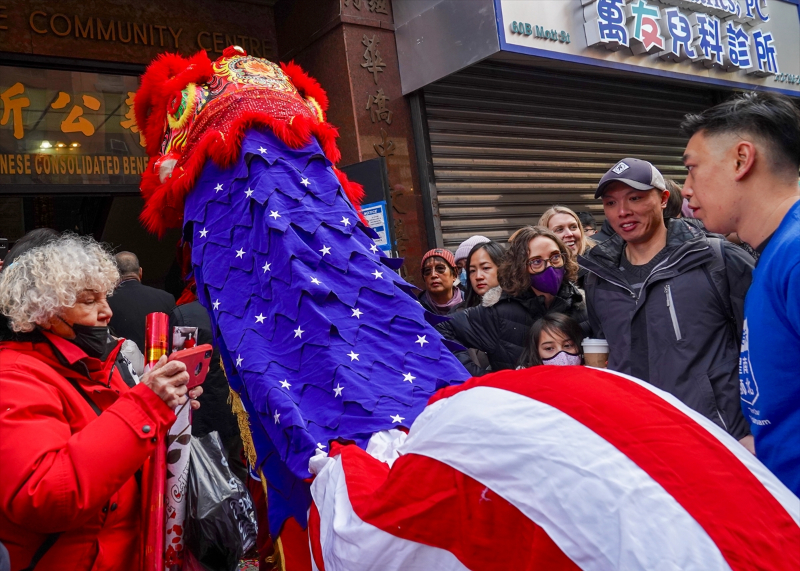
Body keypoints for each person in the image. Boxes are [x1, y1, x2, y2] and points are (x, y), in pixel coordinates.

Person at [0, 234, 202, 571]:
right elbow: (45, 497)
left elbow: (127, 450)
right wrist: (147, 406)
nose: (107, 311)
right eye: (88, 301)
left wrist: (169, 410)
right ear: (42, 310)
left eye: (104, 297)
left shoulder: (100, 365)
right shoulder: (13, 377)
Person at [580, 158, 755, 450]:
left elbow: (767, 349)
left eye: (635, 198)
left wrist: (759, 431)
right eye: (611, 203)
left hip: (719, 439)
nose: (622, 212)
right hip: (641, 441)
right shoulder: (599, 277)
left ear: (663, 199)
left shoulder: (715, 259)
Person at [680, 91, 800, 494]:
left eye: (692, 169)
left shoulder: (795, 255)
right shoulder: (773, 252)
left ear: (741, 160)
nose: (686, 189)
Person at [438, 226, 586, 372]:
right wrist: (480, 378)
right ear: (520, 267)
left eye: (555, 257)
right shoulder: (500, 312)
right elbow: (440, 328)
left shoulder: (581, 306)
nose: (550, 267)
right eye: (536, 261)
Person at [108, 251, 176, 354]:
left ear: (114, 274)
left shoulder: (105, 302)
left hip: (121, 362)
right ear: (140, 272)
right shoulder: (167, 298)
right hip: (158, 361)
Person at [517, 313, 584, 368]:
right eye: (549, 348)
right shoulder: (522, 378)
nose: (562, 357)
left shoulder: (590, 374)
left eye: (567, 345)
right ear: (535, 351)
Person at [418, 248, 465, 315]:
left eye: (440, 268)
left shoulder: (472, 305)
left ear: (454, 274)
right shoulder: (416, 309)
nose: (433, 275)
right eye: (427, 271)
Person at [463, 241, 505, 308]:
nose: (478, 276)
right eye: (472, 271)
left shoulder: (517, 307)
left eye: (485, 268)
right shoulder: (461, 311)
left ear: (503, 268)